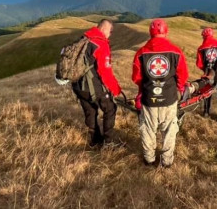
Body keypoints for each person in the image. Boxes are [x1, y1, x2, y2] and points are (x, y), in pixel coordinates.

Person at [132, 19, 189, 167]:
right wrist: (178, 87)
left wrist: (144, 87)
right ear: (166, 31)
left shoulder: (141, 53)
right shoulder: (176, 52)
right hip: (169, 99)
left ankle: (149, 159)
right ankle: (167, 162)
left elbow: (136, 77)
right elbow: (183, 76)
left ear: (150, 33)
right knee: (169, 131)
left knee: (148, 130)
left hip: (148, 99)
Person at [72, 19, 122, 147]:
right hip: (91, 87)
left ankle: (95, 141)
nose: (110, 35)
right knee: (110, 108)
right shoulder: (100, 44)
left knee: (91, 111)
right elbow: (105, 72)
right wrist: (115, 89)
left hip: (77, 85)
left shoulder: (83, 39)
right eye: (111, 32)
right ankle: (108, 143)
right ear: (105, 29)